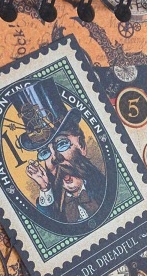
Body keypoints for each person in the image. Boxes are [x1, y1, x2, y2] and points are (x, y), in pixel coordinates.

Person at [10, 79, 107, 225]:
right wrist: (45, 187)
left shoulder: (104, 188)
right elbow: (47, 225)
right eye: (45, 152)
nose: (55, 158)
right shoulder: (52, 203)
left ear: (81, 145)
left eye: (61, 144)